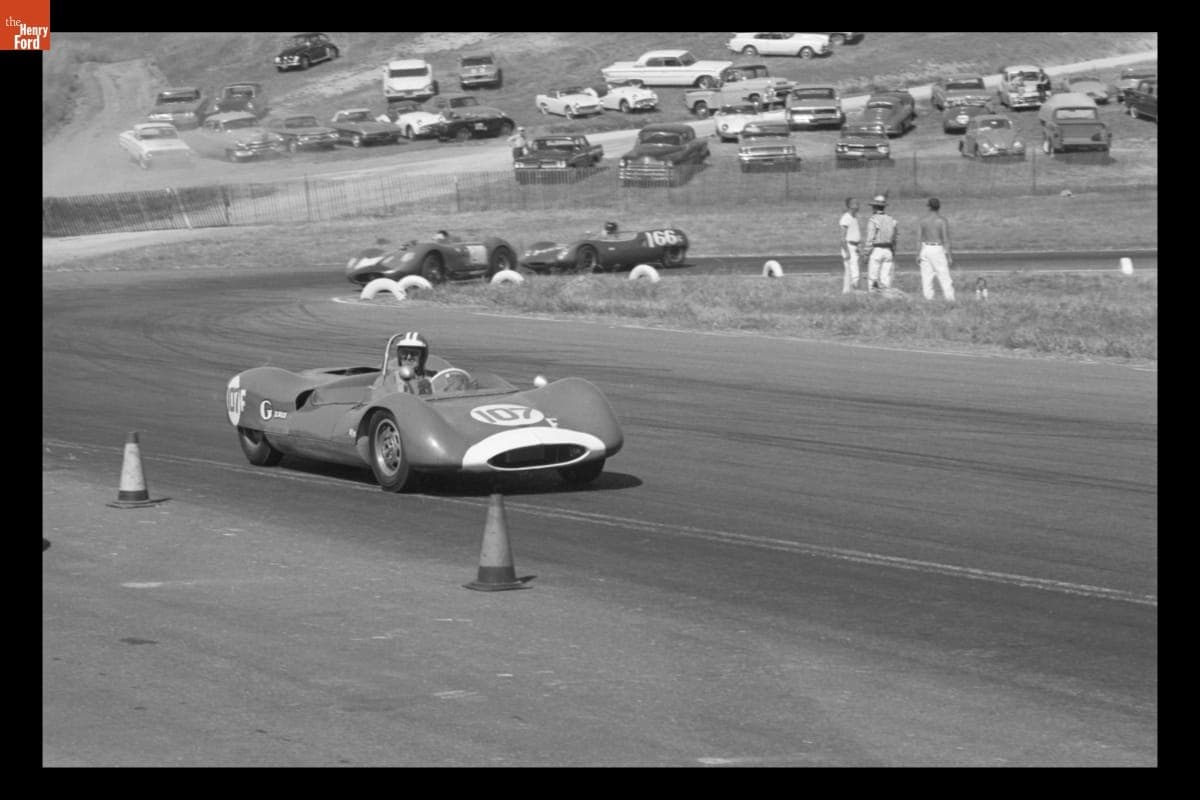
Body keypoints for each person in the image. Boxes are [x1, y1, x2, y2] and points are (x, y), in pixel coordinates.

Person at [916, 197, 955, 301]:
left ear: (928, 207)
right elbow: (946, 240)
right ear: (939, 207)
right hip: (937, 249)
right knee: (944, 276)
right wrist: (949, 255)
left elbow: (919, 240)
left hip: (925, 248)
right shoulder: (942, 221)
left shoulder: (922, 221)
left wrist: (917, 254)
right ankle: (950, 299)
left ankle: (928, 299)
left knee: (926, 278)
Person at [862, 194, 898, 291]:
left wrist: (866, 253)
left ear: (874, 207)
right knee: (885, 278)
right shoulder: (891, 220)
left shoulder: (873, 219)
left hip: (877, 250)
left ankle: (873, 297)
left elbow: (870, 238)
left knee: (873, 278)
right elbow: (894, 238)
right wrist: (893, 251)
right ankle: (886, 297)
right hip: (888, 251)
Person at [390, 331, 434, 396]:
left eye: (414, 353)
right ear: (399, 356)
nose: (408, 357)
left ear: (422, 357)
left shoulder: (433, 378)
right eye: (404, 352)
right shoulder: (389, 379)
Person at [838, 197, 861, 293]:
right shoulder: (846, 218)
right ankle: (856, 290)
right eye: (855, 203)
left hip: (855, 247)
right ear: (850, 205)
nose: (858, 205)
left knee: (849, 271)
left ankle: (847, 291)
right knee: (854, 271)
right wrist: (847, 252)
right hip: (849, 247)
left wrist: (859, 247)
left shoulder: (855, 217)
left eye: (858, 203)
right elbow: (842, 237)